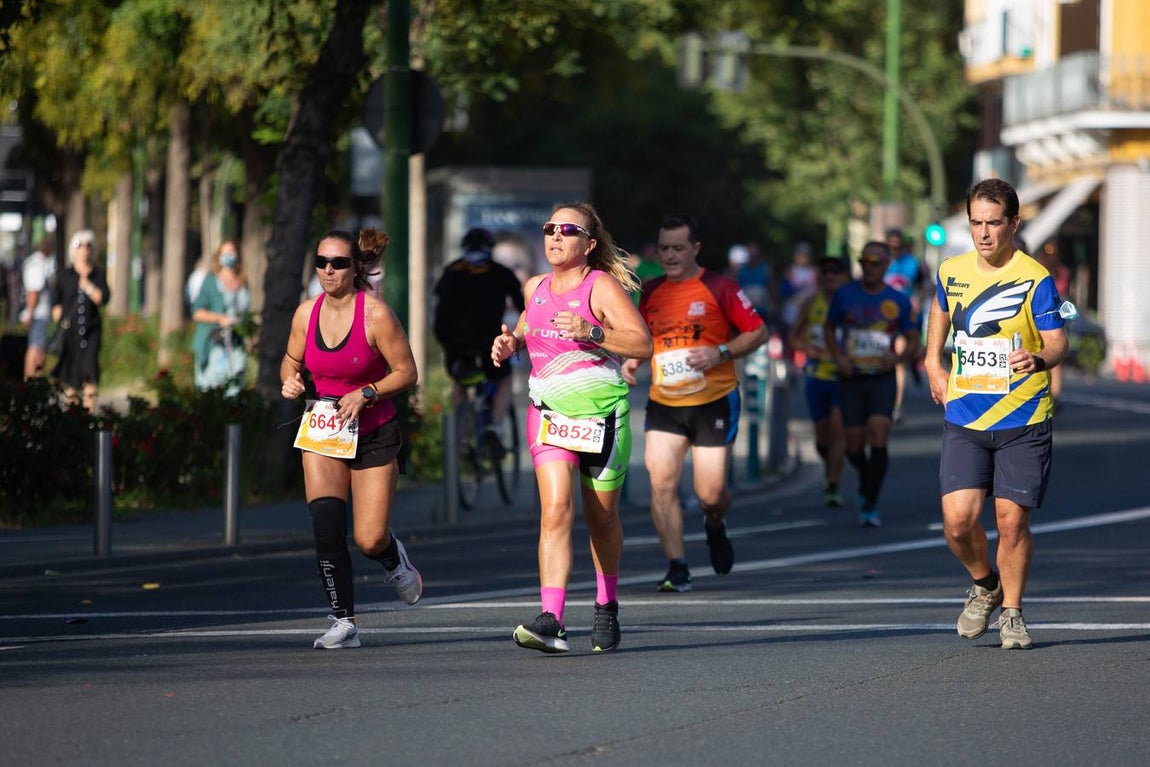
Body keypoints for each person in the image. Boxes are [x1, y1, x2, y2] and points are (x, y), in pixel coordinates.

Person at [490, 203, 652, 653]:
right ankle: (552, 620)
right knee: (555, 510)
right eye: (550, 229)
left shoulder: (601, 287)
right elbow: (525, 328)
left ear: (589, 244)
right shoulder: (535, 286)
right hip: (549, 413)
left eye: (568, 230)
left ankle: (606, 605)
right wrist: (509, 343)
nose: (555, 237)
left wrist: (592, 331)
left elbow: (642, 342)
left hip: (602, 415)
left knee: (601, 517)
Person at [924, 179, 1068, 650]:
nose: (984, 233)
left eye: (993, 223)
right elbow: (940, 310)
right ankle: (986, 583)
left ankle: (1012, 613)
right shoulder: (951, 269)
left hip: (1022, 416)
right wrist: (931, 362)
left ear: (1013, 224)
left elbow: (1057, 342)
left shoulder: (1035, 278)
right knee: (958, 523)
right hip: (965, 414)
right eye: (976, 223)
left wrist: (1039, 359)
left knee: (1010, 522)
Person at [280, 227, 422, 650]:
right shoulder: (306, 313)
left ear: (355, 267)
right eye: (321, 262)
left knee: (368, 537)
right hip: (324, 431)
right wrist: (289, 381)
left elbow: (407, 372)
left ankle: (392, 557)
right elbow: (291, 361)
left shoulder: (375, 314)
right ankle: (343, 621)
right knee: (326, 526)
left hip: (374, 431)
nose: (328, 270)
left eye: (338, 263)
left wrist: (368, 392)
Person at [621, 213, 766, 593]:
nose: (670, 256)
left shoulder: (721, 288)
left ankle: (714, 525)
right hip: (665, 400)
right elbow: (644, 336)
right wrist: (634, 359)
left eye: (678, 248)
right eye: (665, 248)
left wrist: (720, 352)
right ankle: (677, 565)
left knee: (710, 494)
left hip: (713, 400)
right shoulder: (651, 291)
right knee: (662, 482)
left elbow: (758, 331)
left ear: (695, 249)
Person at [824, 240, 918, 528]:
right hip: (852, 377)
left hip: (881, 378)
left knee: (879, 433)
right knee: (853, 446)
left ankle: (870, 501)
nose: (869, 268)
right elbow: (829, 328)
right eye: (864, 262)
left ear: (886, 265)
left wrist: (899, 358)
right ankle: (867, 478)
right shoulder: (844, 295)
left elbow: (913, 338)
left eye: (875, 263)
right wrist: (838, 356)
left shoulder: (897, 300)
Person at [433, 227, 525, 441]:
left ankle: (461, 437)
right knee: (505, 380)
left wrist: (445, 341)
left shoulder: (451, 271)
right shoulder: (502, 273)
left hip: (454, 347)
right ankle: (494, 427)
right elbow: (524, 309)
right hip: (489, 346)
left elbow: (439, 310)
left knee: (459, 383)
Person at [788, 256, 850, 507]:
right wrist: (806, 347)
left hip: (842, 376)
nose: (830, 277)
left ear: (844, 277)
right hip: (816, 376)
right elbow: (793, 337)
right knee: (822, 438)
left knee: (838, 431)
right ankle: (828, 466)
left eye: (836, 273)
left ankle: (833, 485)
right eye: (826, 273)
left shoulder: (851, 303)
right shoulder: (811, 303)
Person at [50, 230, 109, 412]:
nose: (84, 249)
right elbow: (56, 303)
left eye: (88, 245)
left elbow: (104, 298)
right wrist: (58, 314)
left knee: (90, 374)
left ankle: (90, 414)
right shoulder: (65, 275)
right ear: (73, 249)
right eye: (79, 245)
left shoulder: (97, 275)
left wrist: (88, 287)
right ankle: (73, 419)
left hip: (91, 333)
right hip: (70, 335)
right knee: (71, 379)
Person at [191, 239, 251, 395]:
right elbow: (197, 312)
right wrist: (219, 318)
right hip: (214, 343)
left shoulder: (242, 281)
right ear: (218, 256)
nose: (228, 256)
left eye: (231, 252)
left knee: (235, 388)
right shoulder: (211, 281)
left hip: (236, 344)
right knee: (212, 388)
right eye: (224, 253)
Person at [884, 228, 926, 423]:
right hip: (881, 320)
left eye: (897, 247)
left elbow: (922, 286)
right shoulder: (880, 262)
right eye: (890, 247)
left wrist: (917, 300)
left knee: (899, 362)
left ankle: (895, 407)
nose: (894, 251)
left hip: (904, 318)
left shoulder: (912, 263)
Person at [20, 237, 56, 379]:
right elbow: (34, 291)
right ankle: (32, 381)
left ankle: (35, 380)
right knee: (36, 349)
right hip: (38, 313)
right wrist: (30, 312)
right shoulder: (37, 265)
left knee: (38, 347)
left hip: (37, 313)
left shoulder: (35, 262)